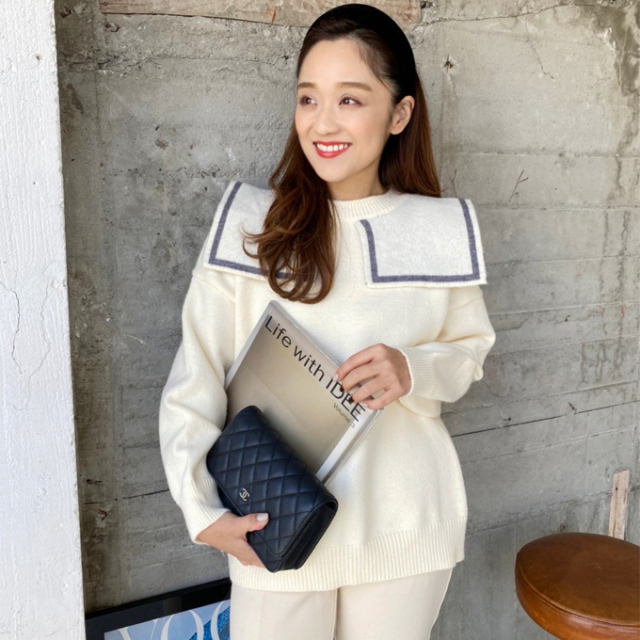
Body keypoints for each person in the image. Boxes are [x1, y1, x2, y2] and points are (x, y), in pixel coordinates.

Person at [158, 4, 497, 639]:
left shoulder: (440, 229)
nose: (323, 122)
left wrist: (411, 369)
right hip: (277, 524)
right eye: (308, 98)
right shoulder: (250, 225)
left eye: (350, 99)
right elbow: (195, 376)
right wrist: (200, 508)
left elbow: (468, 354)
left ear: (399, 113)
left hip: (404, 529)